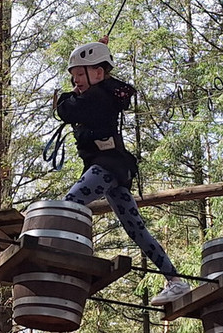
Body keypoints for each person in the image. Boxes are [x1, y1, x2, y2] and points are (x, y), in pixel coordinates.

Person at [54, 41, 191, 306]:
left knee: (69, 206)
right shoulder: (105, 91)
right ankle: (175, 280)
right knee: (136, 229)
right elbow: (85, 95)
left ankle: (64, 260)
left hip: (107, 167)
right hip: (115, 170)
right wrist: (94, 63)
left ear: (98, 74)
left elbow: (65, 110)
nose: (75, 81)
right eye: (74, 76)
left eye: (80, 75)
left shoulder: (96, 97)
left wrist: (67, 95)